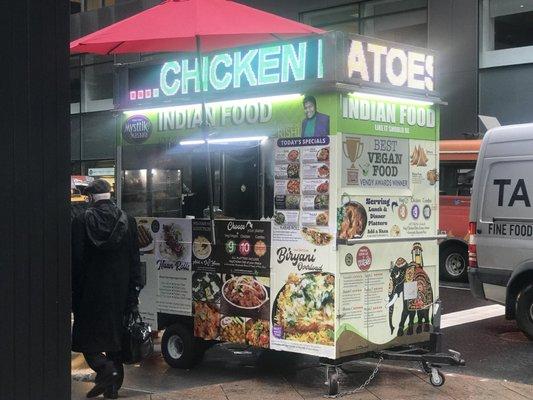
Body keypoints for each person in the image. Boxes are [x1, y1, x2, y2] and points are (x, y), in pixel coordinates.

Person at [71, 179, 142, 399]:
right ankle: (111, 388)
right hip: (120, 293)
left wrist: (74, 292)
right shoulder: (128, 221)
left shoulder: (81, 221)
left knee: (84, 340)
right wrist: (133, 293)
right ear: (110, 196)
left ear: (91, 198)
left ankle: (105, 370)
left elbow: (76, 260)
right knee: (116, 341)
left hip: (90, 293)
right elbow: (134, 261)